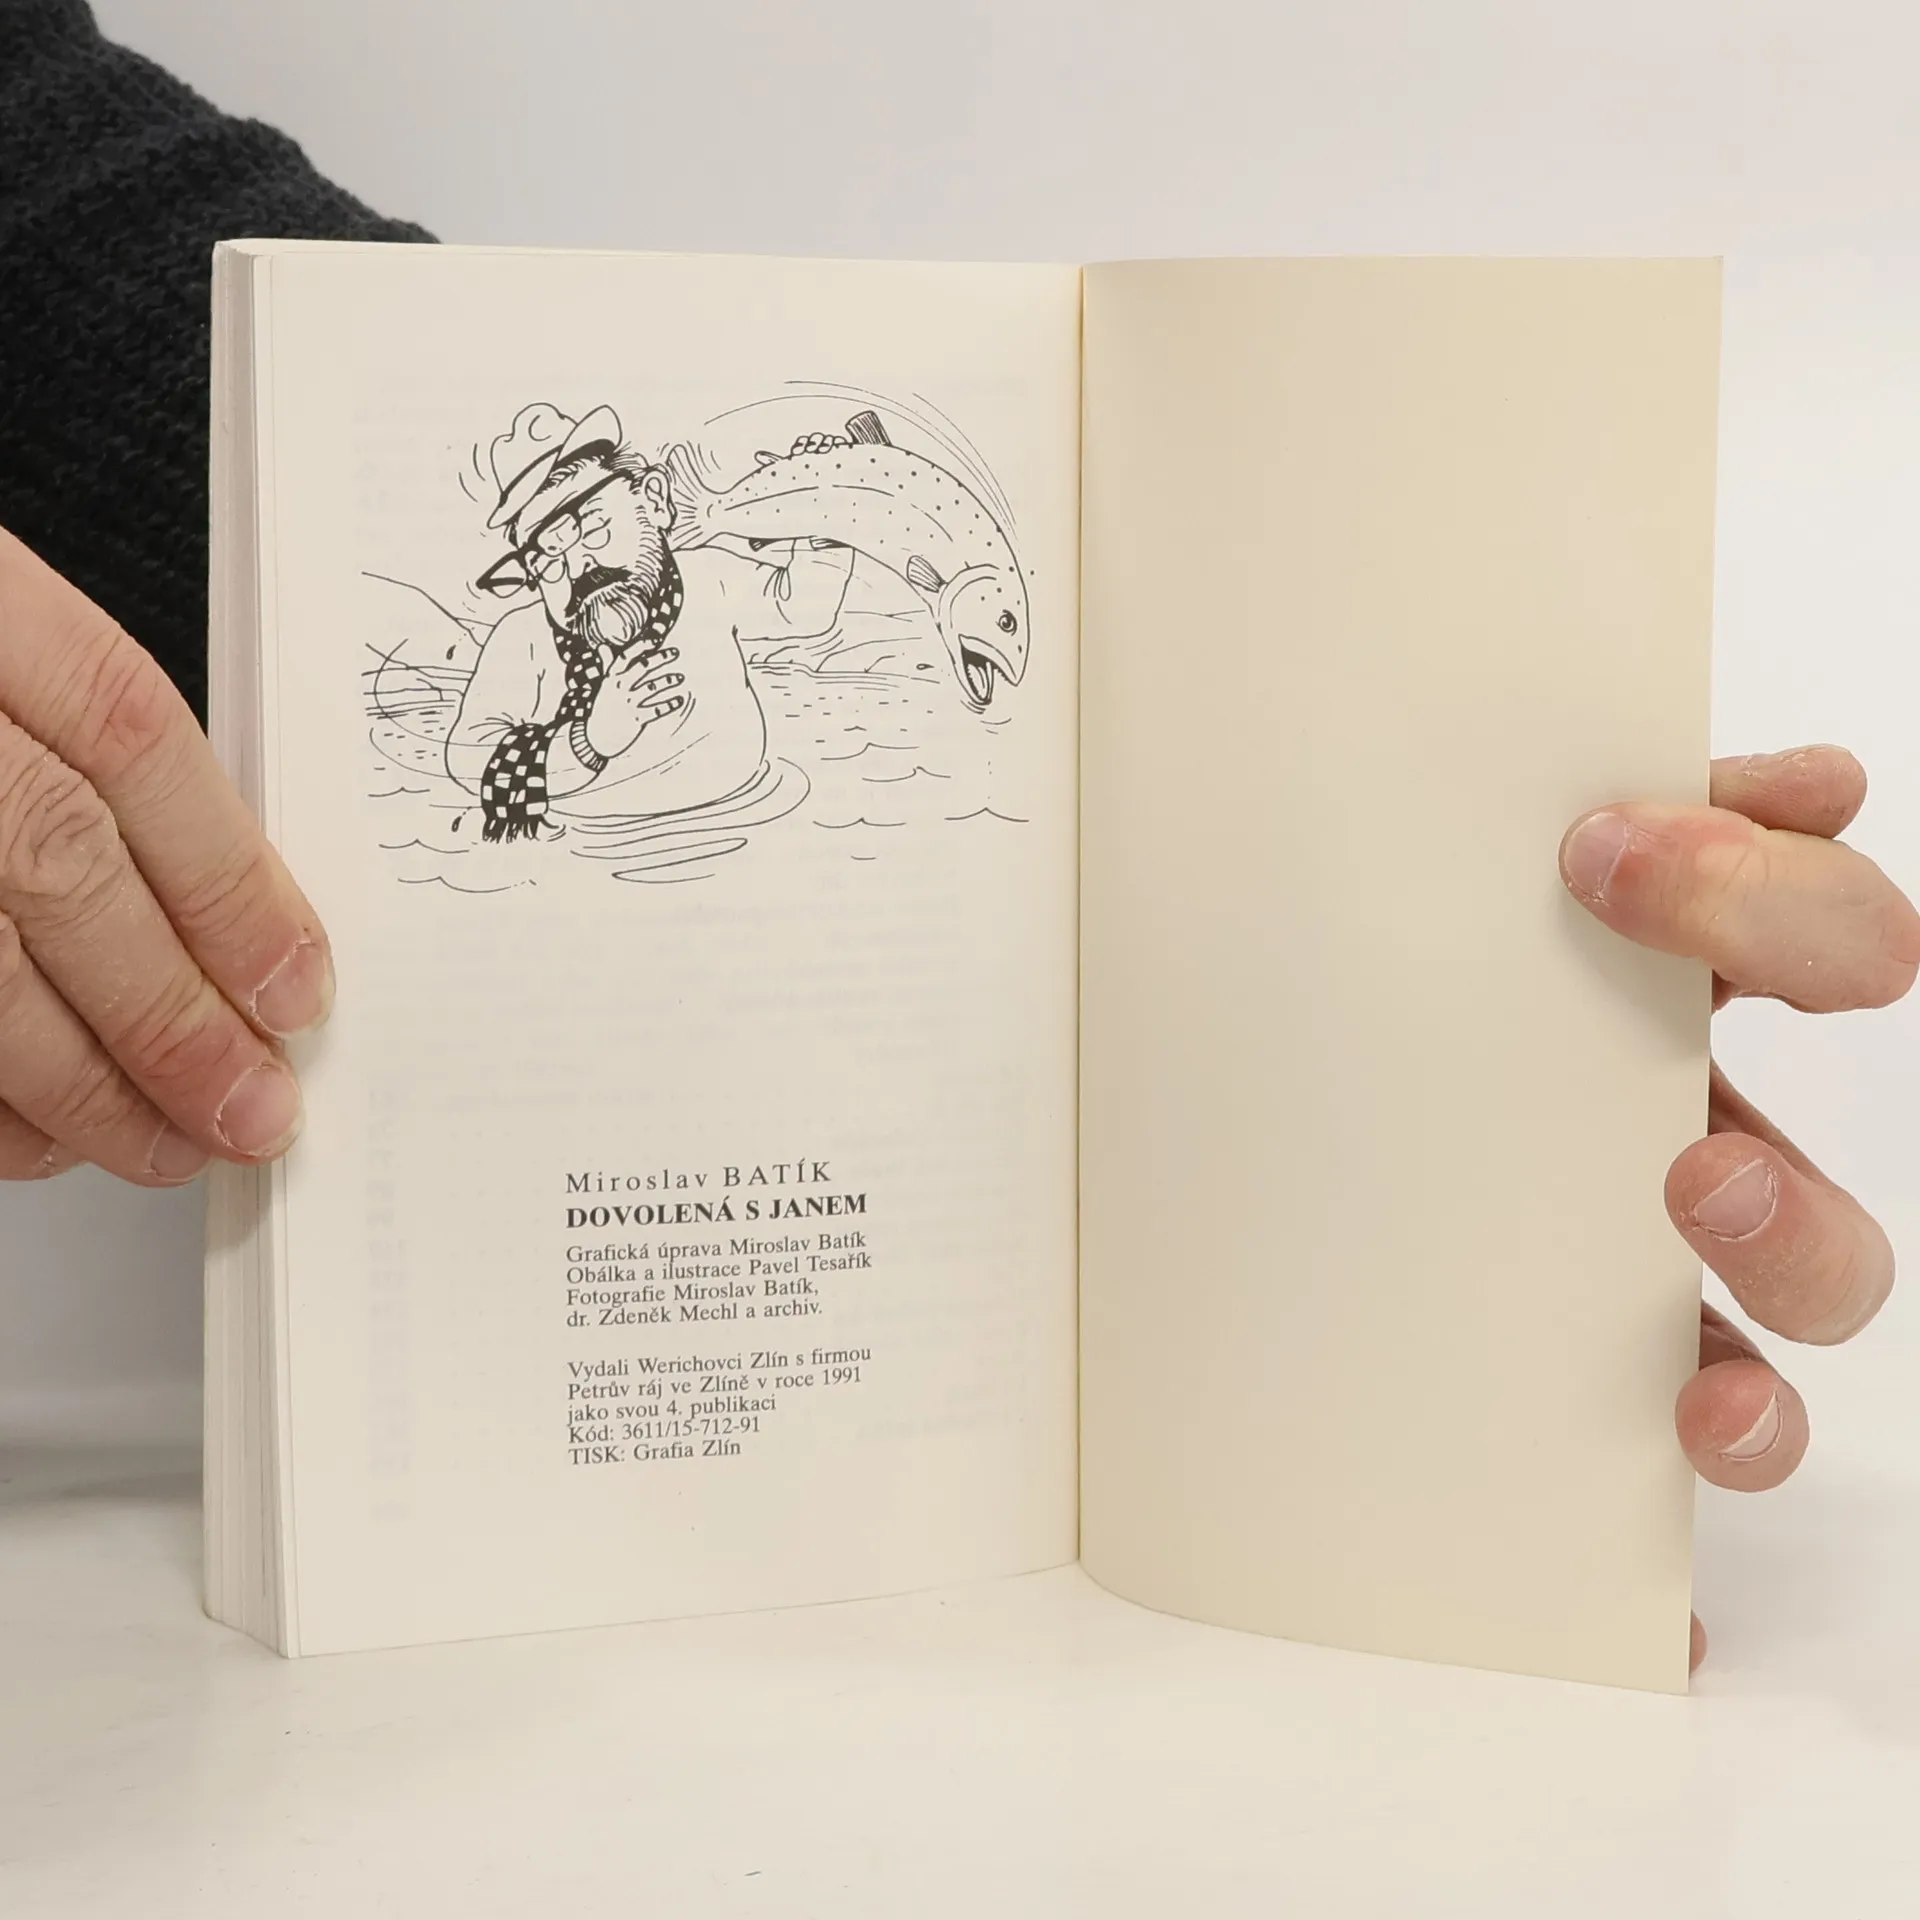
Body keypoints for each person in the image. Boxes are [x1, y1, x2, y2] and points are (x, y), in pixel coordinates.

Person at [3, 1, 1914, 1671]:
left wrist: (1386, 869)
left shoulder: (738, 586)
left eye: (599, 515)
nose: (581, 558)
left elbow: (50, 206)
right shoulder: (542, 665)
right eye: (549, 540)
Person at [447, 404, 855, 839]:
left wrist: (823, 513)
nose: (578, 567)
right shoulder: (523, 637)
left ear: (654, 500)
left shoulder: (707, 577)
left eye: (593, 528)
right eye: (547, 559)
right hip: (586, 847)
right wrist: (588, 740)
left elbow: (804, 611)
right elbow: (467, 757)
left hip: (737, 826)